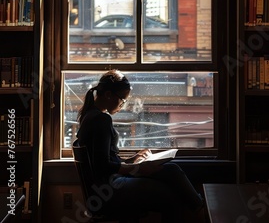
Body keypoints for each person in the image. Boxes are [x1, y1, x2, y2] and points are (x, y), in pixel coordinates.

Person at [76, 69, 205, 222]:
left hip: (106, 186)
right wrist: (138, 168)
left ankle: (200, 208)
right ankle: (201, 209)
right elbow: (102, 166)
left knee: (171, 170)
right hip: (109, 189)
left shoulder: (89, 116)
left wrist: (133, 159)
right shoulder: (101, 120)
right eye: (122, 99)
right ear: (108, 94)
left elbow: (105, 160)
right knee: (170, 194)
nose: (122, 105)